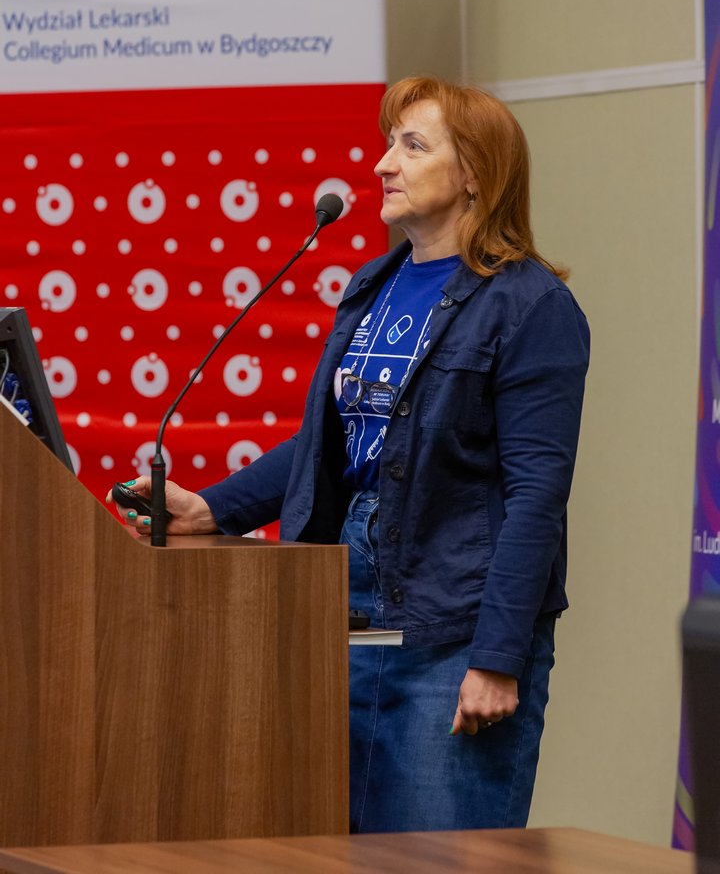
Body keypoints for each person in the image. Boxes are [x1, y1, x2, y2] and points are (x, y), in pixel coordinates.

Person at [110, 76, 590, 833]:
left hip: (453, 626)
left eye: (412, 146)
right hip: (342, 609)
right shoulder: (375, 285)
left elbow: (537, 494)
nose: (382, 164)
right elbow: (330, 439)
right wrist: (213, 508)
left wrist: (499, 656)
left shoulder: (531, 305)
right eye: (388, 143)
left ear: (475, 173)